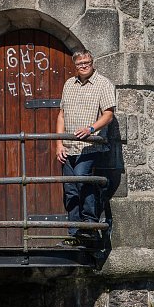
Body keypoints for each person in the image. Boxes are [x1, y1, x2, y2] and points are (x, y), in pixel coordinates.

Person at [56, 49, 115, 246]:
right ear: (75, 65)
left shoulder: (103, 83)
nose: (84, 66)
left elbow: (108, 115)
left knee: (83, 178)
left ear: (92, 62)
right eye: (80, 64)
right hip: (69, 146)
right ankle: (73, 232)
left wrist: (91, 129)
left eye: (87, 62)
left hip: (90, 146)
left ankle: (89, 226)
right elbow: (61, 115)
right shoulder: (68, 84)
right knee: (70, 188)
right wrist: (58, 144)